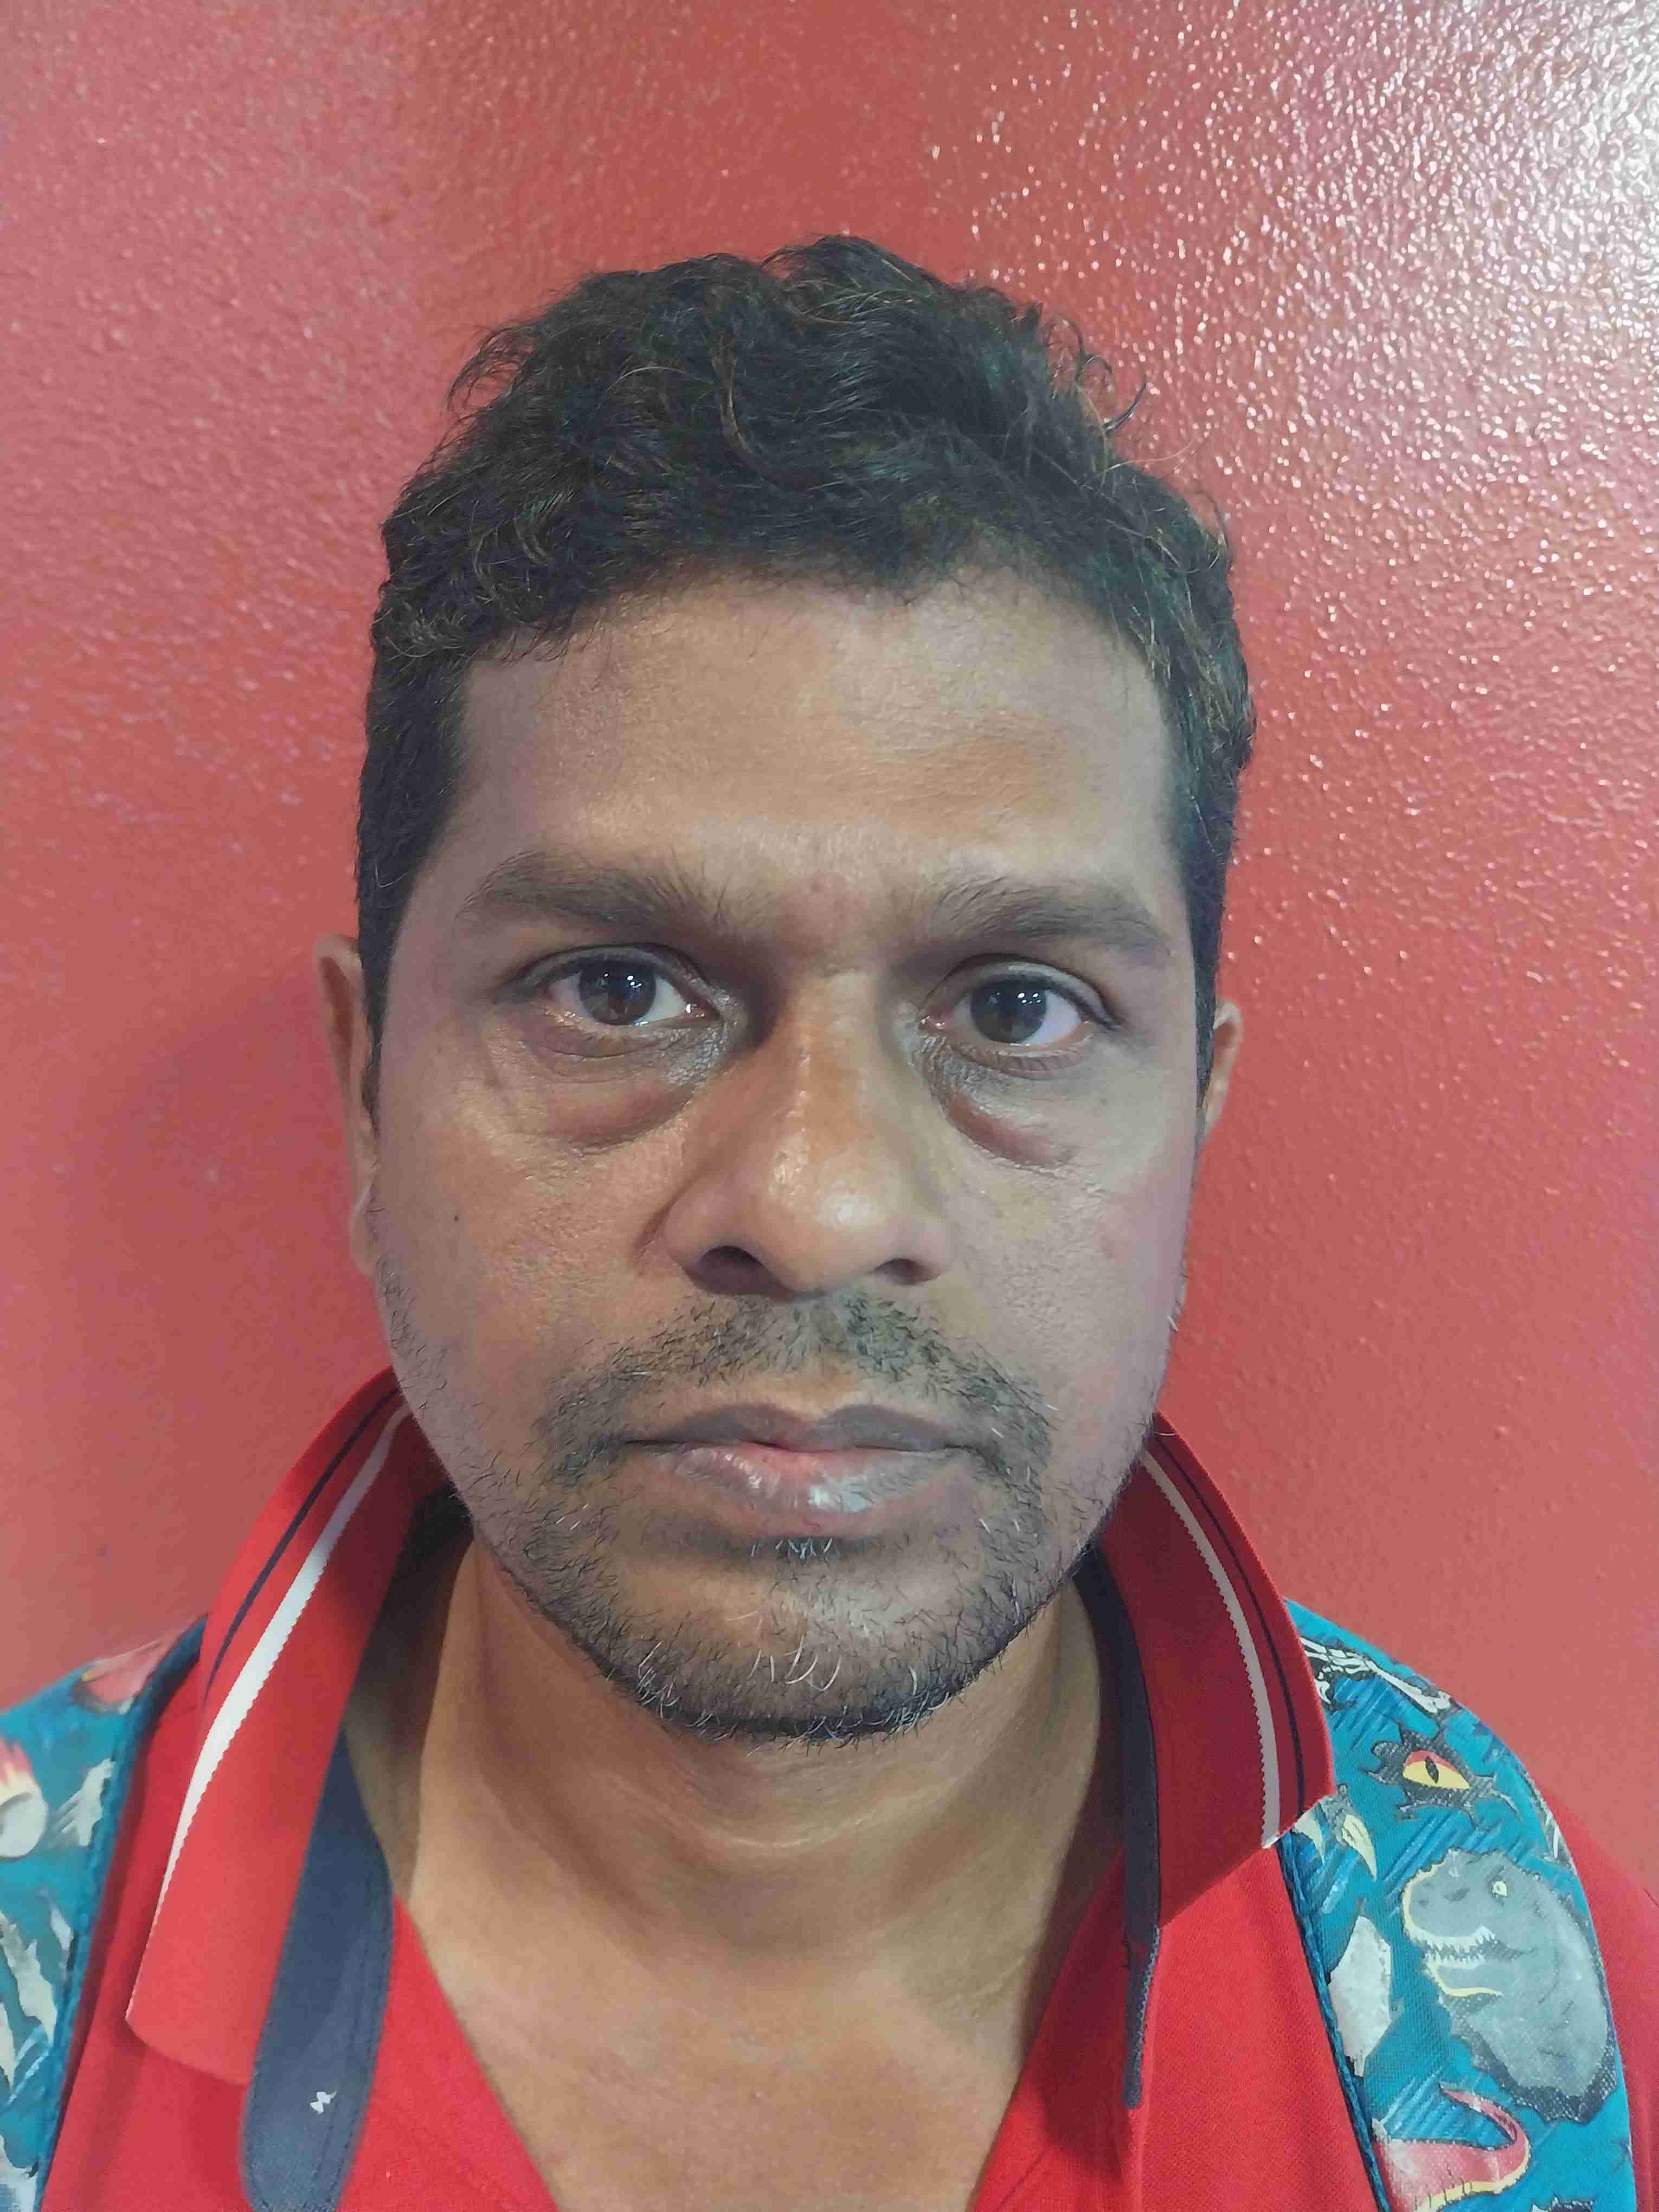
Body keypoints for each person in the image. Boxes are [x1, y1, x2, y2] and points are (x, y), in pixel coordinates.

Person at [9, 236, 1655, 2211]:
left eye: (1016, 1009)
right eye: (617, 988)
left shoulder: (1543, 2010)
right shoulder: (35, 1955)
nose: (813, 1210)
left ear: (1192, 1112)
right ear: (367, 1091)